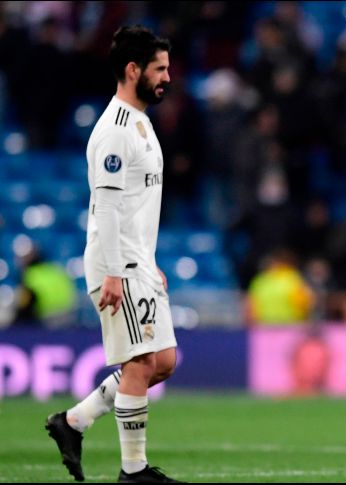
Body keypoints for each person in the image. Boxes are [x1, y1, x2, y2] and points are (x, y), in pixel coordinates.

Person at [44, 25, 180, 483]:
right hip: (116, 264)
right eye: (159, 69)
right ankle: (133, 472)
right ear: (132, 69)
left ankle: (74, 422)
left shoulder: (140, 120)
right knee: (140, 364)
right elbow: (105, 205)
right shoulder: (115, 130)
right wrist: (116, 272)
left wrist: (148, 258)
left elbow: (134, 205)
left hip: (137, 259)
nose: (167, 77)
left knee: (162, 362)